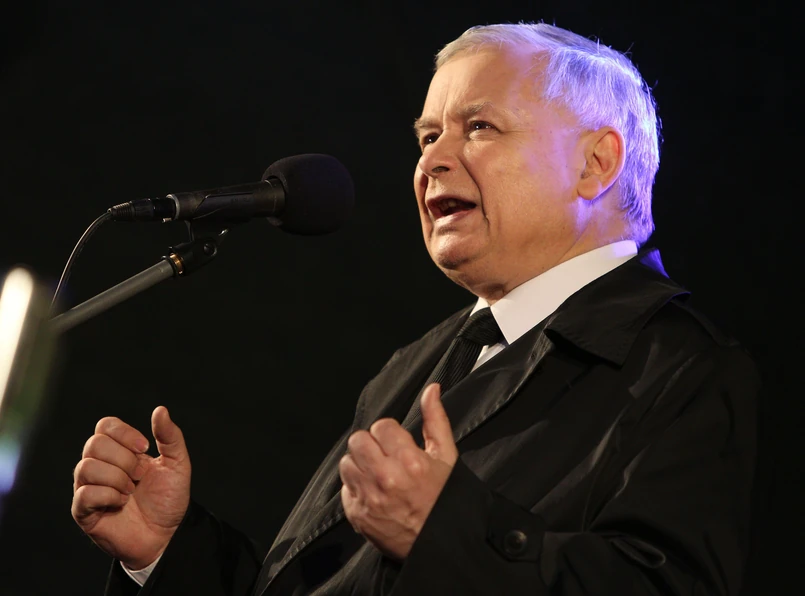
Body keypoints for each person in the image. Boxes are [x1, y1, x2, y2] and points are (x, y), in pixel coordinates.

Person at [71, 22, 759, 595]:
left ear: (595, 164)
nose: (433, 161)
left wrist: (447, 533)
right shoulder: (415, 364)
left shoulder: (679, 367)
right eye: (427, 137)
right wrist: (168, 553)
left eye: (479, 127)